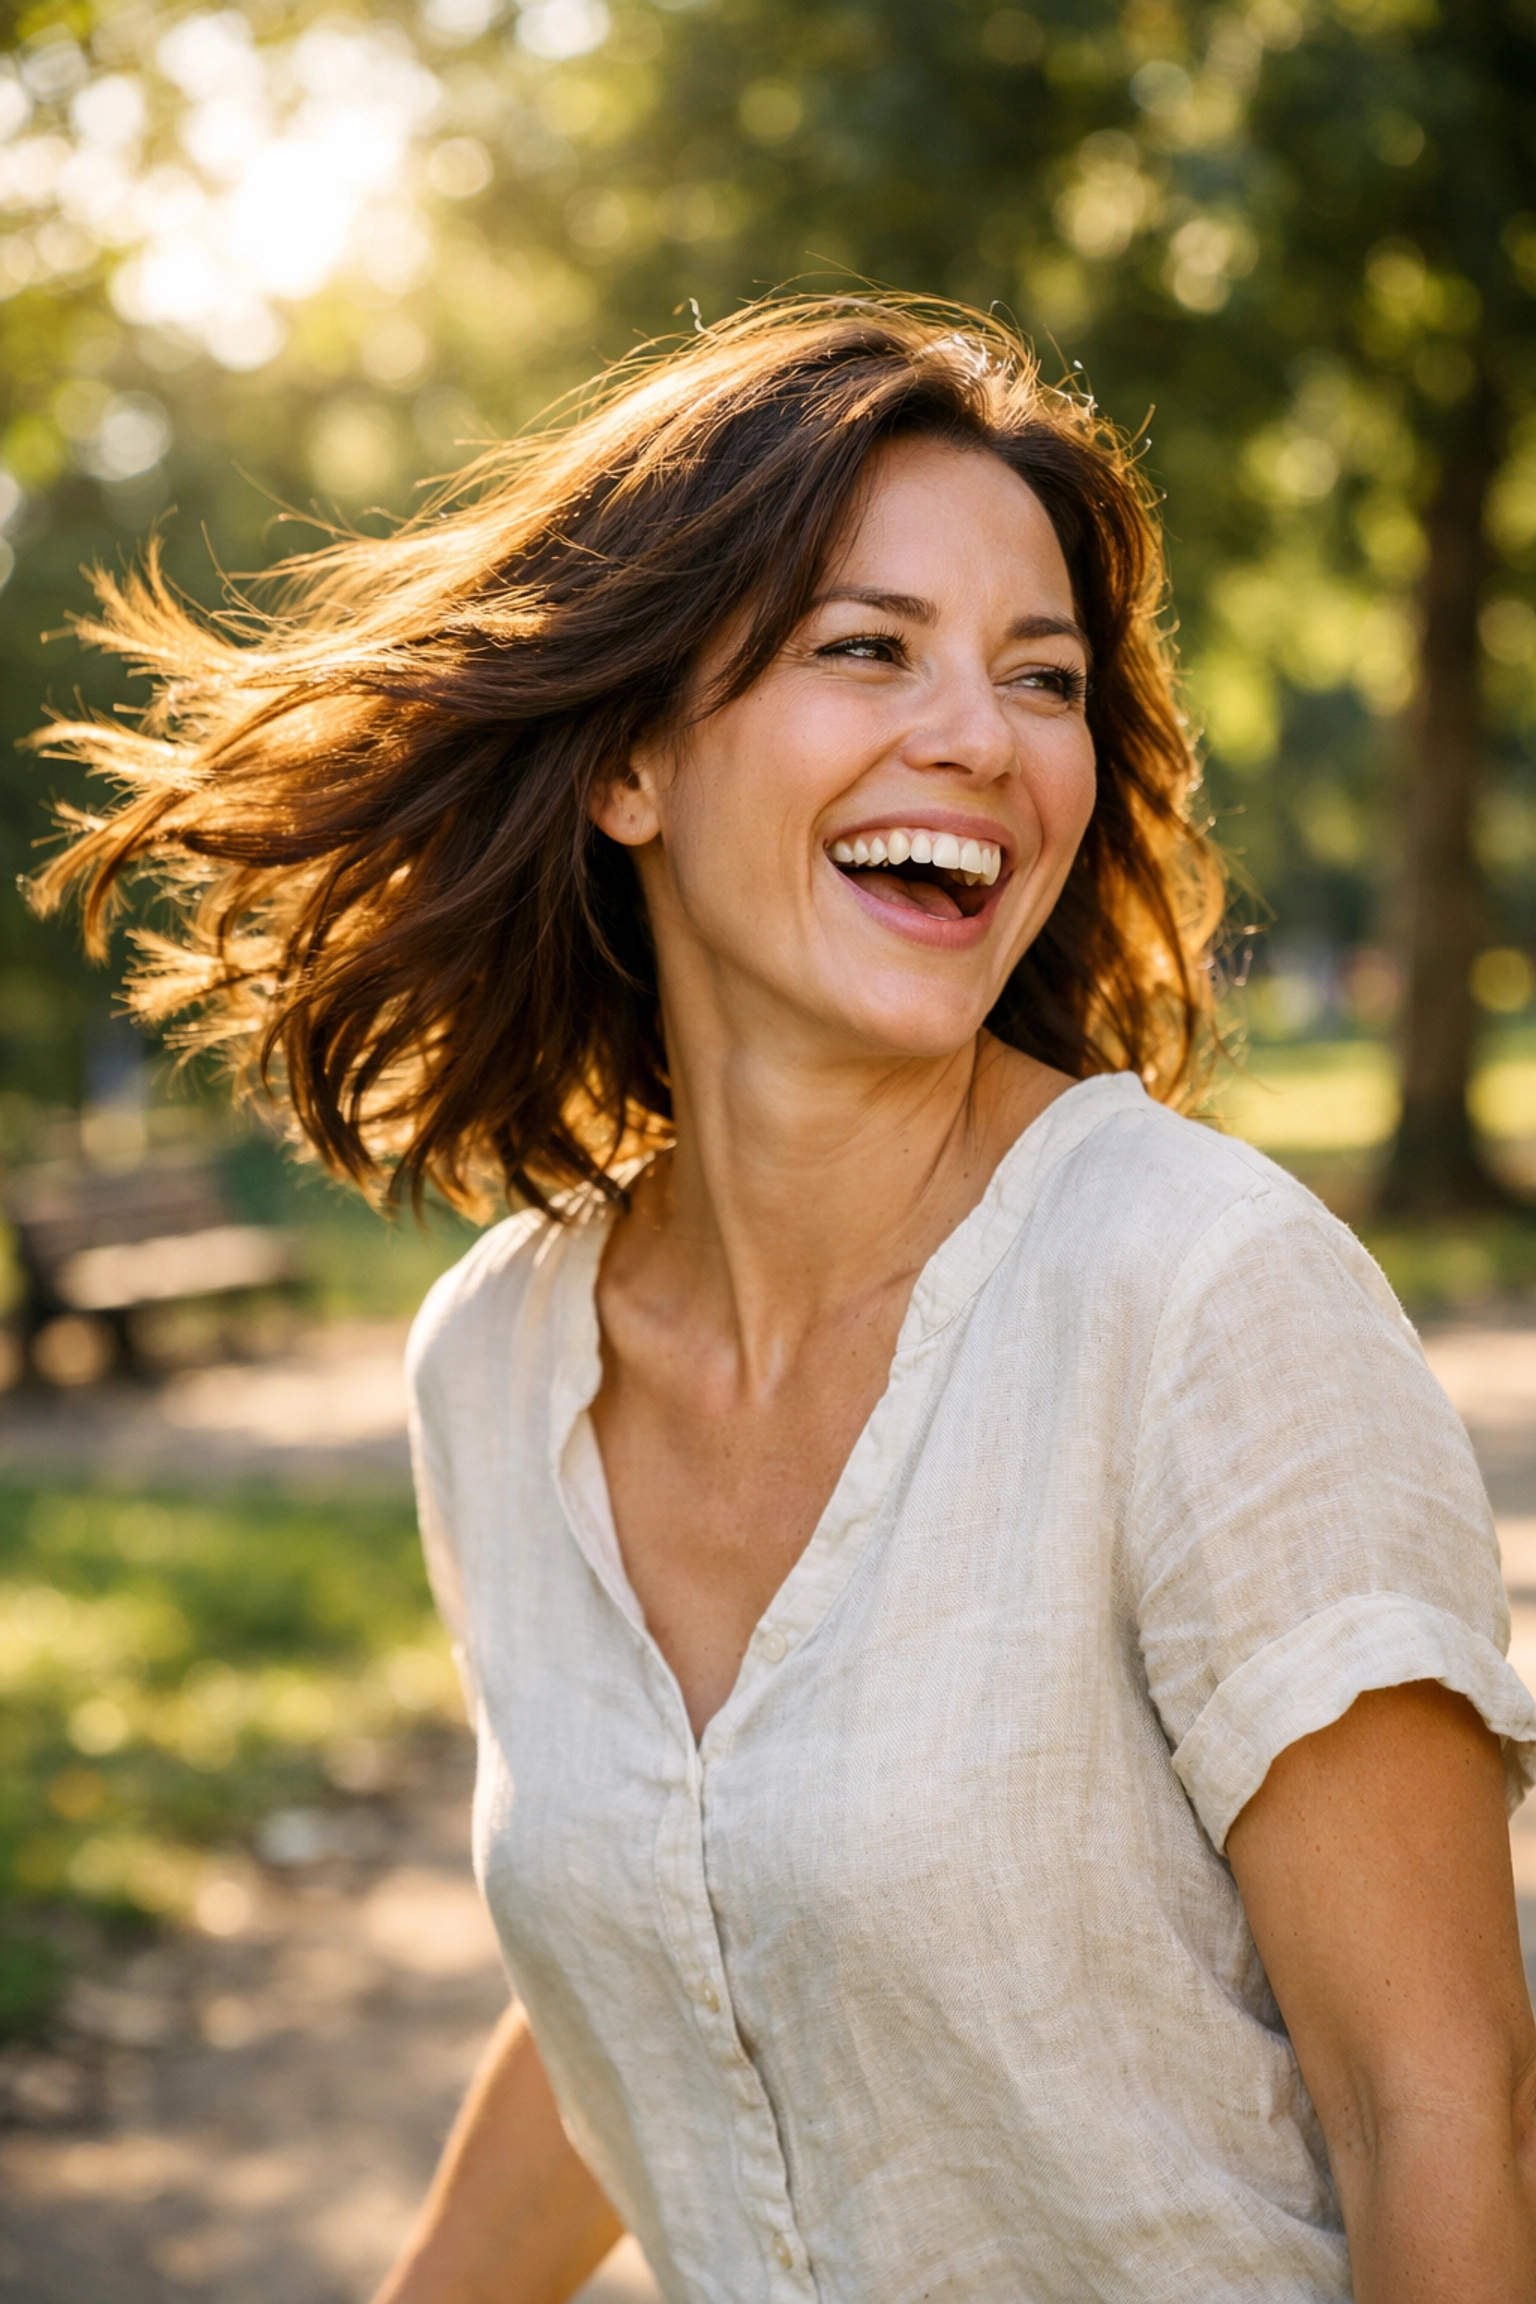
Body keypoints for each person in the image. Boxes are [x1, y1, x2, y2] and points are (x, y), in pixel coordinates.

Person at [33, 296, 1536, 2303]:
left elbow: (1436, 2108)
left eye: (1042, 676)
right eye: (866, 649)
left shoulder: (1204, 1303)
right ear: (633, 762)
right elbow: (654, 1966)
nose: (980, 739)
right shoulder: (495, 1365)